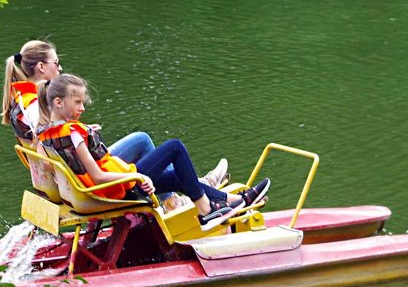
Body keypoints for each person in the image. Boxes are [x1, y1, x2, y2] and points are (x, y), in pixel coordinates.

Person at [36, 74, 269, 231]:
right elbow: (97, 176)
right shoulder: (74, 134)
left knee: (179, 177)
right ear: (58, 102)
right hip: (113, 190)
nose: (82, 108)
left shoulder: (46, 134)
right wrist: (138, 177)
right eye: (77, 102)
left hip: (92, 193)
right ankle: (206, 210)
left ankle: (233, 200)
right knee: (175, 147)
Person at [0, 40, 227, 184]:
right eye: (56, 63)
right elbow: (48, 137)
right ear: (41, 67)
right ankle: (181, 195)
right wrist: (79, 134)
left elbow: (51, 135)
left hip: (63, 175)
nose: (59, 68)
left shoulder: (20, 98)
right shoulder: (33, 104)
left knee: (142, 148)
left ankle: (187, 187)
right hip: (77, 177)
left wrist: (82, 130)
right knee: (142, 140)